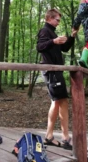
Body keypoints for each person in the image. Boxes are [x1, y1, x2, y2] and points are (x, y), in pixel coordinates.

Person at [36, 8, 78, 150]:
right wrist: (53, 41)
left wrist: (72, 36)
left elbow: (64, 48)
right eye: (57, 20)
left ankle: (58, 136)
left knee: (61, 101)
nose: (58, 23)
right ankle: (57, 136)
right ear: (49, 18)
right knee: (59, 101)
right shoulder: (45, 31)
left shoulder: (52, 33)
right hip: (51, 71)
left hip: (57, 71)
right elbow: (39, 47)